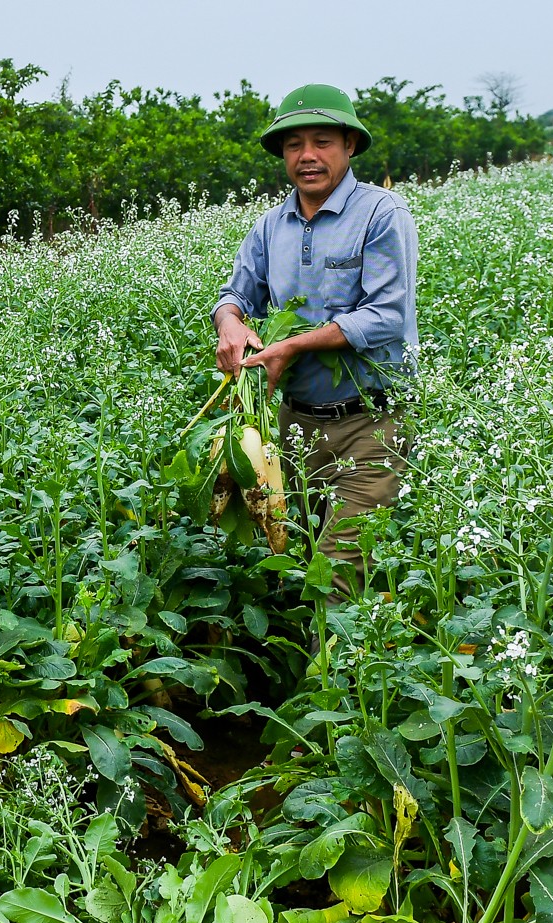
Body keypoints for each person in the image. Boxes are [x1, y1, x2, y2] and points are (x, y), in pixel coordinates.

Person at [212, 83, 418, 585]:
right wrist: (231, 323)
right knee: (290, 560)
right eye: (293, 144)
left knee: (337, 578)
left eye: (322, 141)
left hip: (370, 423)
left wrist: (293, 344)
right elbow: (234, 295)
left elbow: (386, 315)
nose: (307, 156)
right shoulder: (269, 226)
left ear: (350, 146)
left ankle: (335, 664)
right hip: (292, 427)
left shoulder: (381, 214)